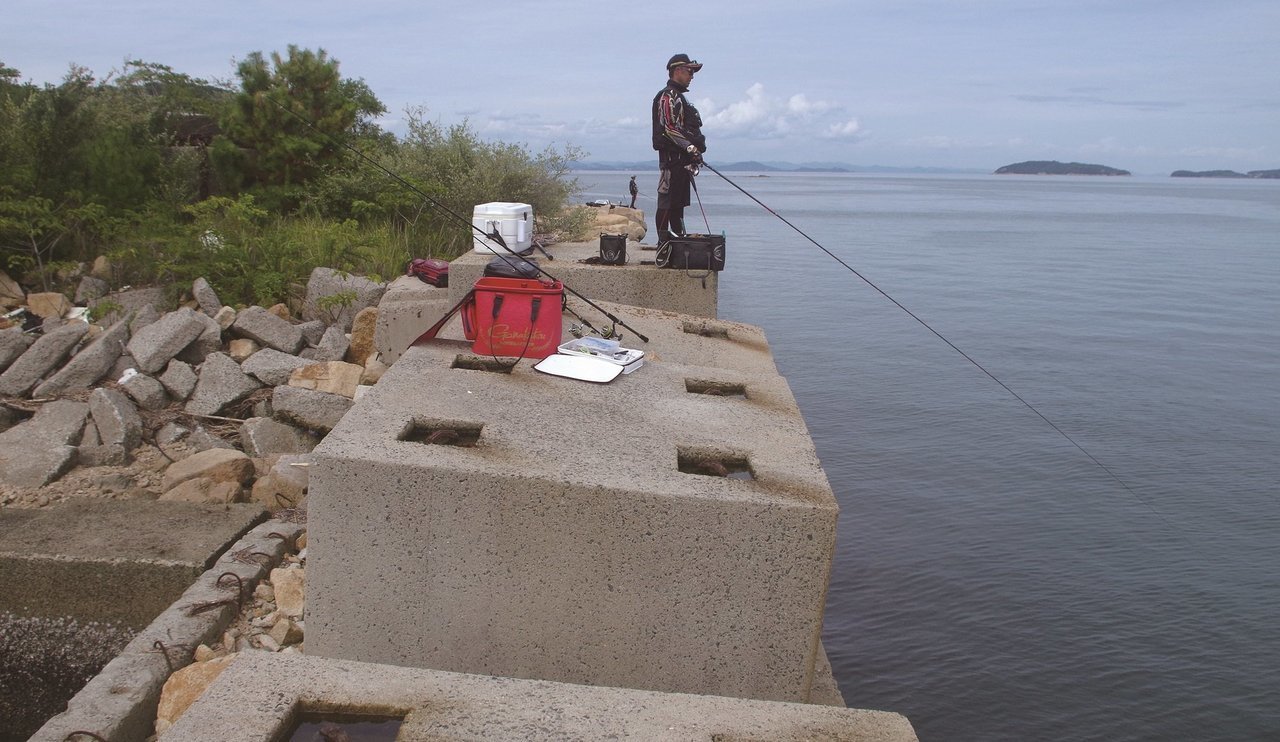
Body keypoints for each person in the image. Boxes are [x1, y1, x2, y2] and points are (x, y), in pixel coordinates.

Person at [651, 53, 706, 242]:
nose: (692, 77)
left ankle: (678, 244)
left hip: (682, 164)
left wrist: (692, 153)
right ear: (678, 71)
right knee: (667, 205)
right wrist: (691, 148)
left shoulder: (680, 97)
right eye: (690, 72)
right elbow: (669, 129)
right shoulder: (667, 96)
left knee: (678, 206)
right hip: (671, 163)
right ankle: (664, 245)